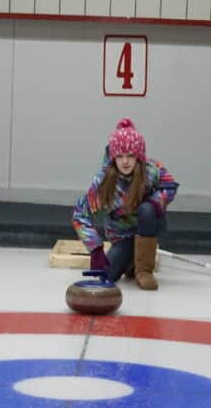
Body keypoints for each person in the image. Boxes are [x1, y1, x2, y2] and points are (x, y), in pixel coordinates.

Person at [73, 118, 178, 290]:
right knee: (107, 275)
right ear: (113, 157)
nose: (125, 162)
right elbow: (80, 215)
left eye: (130, 155)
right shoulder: (104, 181)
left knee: (146, 209)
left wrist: (155, 202)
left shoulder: (151, 170)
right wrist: (96, 248)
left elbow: (170, 186)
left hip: (148, 224)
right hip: (123, 236)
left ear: (139, 156)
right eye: (120, 156)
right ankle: (131, 261)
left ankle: (144, 270)